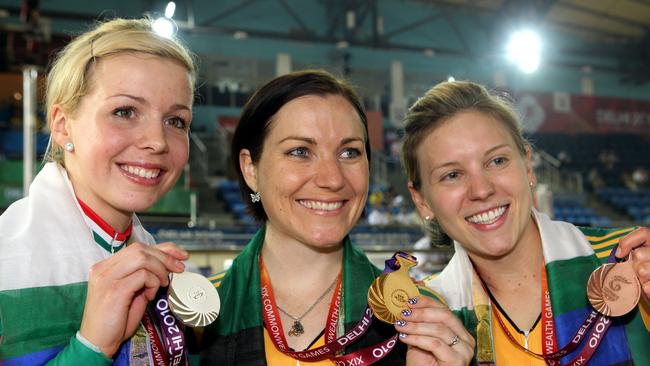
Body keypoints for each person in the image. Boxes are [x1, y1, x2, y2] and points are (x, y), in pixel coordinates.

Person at [197, 70, 474, 365]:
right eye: (300, 151)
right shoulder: (194, 318)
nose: (332, 179)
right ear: (251, 169)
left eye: (349, 153)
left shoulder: (424, 319)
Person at [402, 80, 650, 365]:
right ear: (421, 200)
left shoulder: (626, 262)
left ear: (528, 166)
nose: (481, 190)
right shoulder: (423, 318)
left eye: (496, 161)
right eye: (452, 175)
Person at [0, 18, 196, 364]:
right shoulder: (6, 261)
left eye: (176, 121)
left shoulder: (170, 274)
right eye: (124, 111)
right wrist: (91, 347)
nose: (156, 141)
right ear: (62, 126)